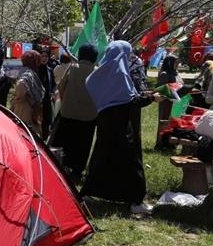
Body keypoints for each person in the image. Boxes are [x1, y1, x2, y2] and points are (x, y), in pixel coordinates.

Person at [80, 40, 162, 215]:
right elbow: (133, 101)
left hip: (105, 124)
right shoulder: (121, 74)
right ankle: (135, 201)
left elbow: (115, 94)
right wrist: (154, 98)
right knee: (131, 163)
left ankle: (88, 193)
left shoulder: (98, 75)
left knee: (102, 158)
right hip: (124, 127)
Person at [51, 44, 98, 183]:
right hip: (89, 116)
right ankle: (77, 171)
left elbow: (60, 86)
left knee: (66, 141)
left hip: (68, 112)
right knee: (83, 145)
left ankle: (63, 167)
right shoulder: (96, 71)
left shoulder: (73, 68)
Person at [11, 50, 45, 136]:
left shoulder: (26, 71)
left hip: (25, 107)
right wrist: (18, 97)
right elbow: (21, 84)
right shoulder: (28, 72)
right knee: (26, 133)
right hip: (25, 108)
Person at [154, 54, 179, 149]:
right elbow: (160, 89)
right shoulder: (164, 74)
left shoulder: (175, 73)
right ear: (170, 63)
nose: (177, 64)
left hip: (175, 101)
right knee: (164, 121)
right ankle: (160, 143)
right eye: (176, 62)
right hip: (166, 102)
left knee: (173, 122)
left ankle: (170, 142)